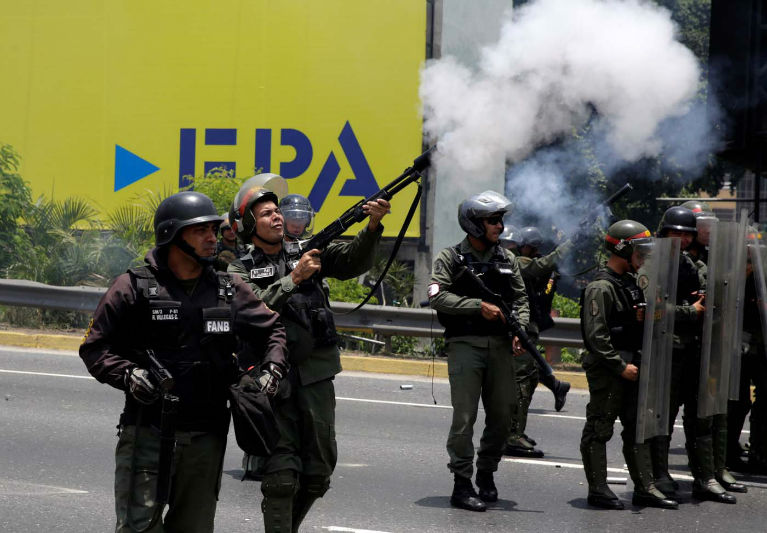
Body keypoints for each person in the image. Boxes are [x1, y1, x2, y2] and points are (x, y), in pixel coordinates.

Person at [79, 191, 288, 532]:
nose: (212, 238)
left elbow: (273, 329)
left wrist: (273, 369)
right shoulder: (133, 287)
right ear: (173, 235)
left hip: (206, 437)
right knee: (138, 529)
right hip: (147, 432)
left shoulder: (229, 288)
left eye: (213, 230)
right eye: (201, 231)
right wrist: (128, 373)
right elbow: (94, 347)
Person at [227, 174, 389, 532]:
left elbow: (351, 261)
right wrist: (293, 280)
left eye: (277, 211)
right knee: (282, 476)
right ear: (250, 224)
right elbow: (248, 308)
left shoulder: (306, 250)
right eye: (266, 213)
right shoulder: (238, 268)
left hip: (316, 374)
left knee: (318, 474)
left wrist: (373, 225)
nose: (277, 217)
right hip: (271, 377)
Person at [428, 190, 529, 512]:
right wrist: (475, 306)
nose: (500, 227)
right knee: (464, 419)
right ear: (474, 225)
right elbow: (436, 296)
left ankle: (487, 473)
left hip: (500, 346)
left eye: (500, 220)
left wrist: (520, 330)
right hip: (465, 346)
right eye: (493, 221)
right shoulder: (450, 258)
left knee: (503, 416)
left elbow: (521, 300)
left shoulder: (507, 259)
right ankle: (462, 483)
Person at [579, 220, 678, 510]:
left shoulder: (629, 284)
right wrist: (620, 367)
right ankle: (598, 489)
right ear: (623, 250)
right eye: (640, 251)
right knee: (599, 428)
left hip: (632, 366)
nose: (645, 257)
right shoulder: (601, 287)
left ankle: (645, 487)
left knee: (638, 427)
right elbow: (596, 337)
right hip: (610, 370)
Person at [651, 206, 739, 503]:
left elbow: (709, 296)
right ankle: (659, 474)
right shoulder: (652, 265)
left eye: (686, 235)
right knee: (664, 416)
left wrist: (707, 299)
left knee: (701, 417)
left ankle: (705, 477)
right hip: (666, 351)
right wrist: (692, 310)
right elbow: (654, 310)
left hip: (696, 350)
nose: (682, 240)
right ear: (664, 234)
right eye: (676, 233)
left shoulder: (693, 264)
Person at [504, 226, 571, 458]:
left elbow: (543, 277)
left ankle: (515, 432)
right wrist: (572, 242)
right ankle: (511, 435)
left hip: (526, 330)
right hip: (517, 332)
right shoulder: (516, 262)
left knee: (529, 379)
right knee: (521, 383)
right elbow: (542, 266)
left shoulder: (524, 262)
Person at [728, 242, 767, 475]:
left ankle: (759, 453)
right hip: (738, 347)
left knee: (764, 402)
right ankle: (728, 453)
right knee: (737, 402)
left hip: (761, 347)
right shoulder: (735, 280)